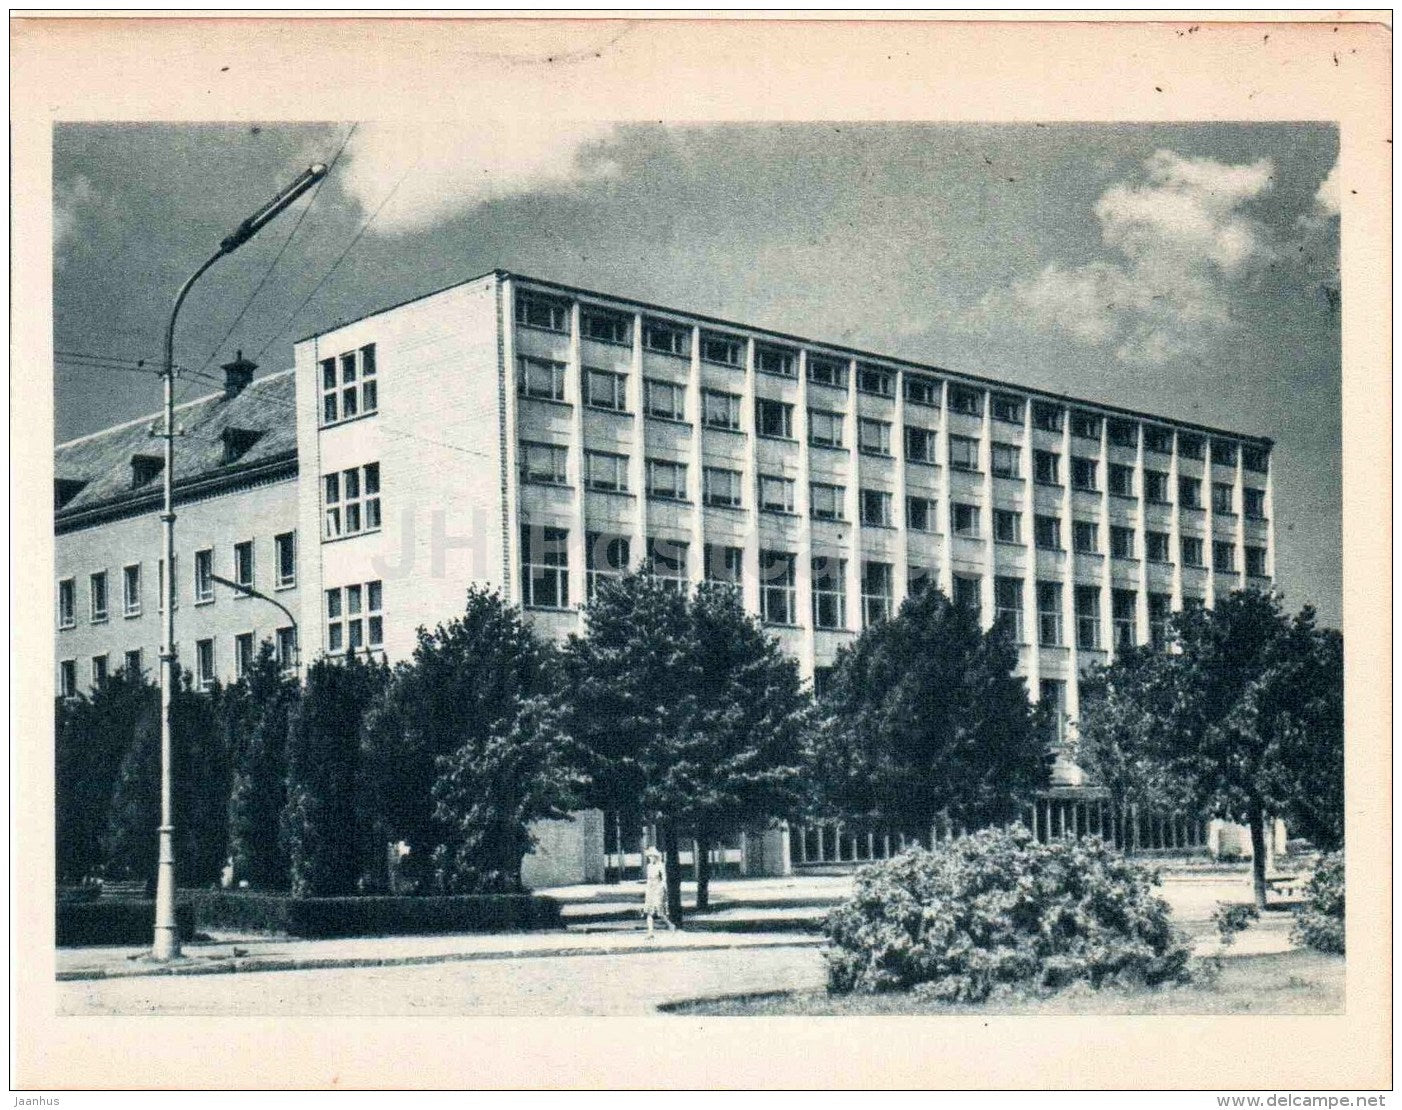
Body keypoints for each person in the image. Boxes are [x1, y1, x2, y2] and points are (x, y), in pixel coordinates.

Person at [642, 845, 676, 938]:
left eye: (651, 856)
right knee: (649, 912)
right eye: (649, 856)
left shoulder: (660, 865)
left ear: (655, 856)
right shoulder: (649, 866)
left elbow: (664, 878)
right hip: (650, 890)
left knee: (660, 913)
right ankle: (650, 932)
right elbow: (649, 879)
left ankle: (671, 925)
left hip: (658, 889)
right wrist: (647, 889)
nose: (650, 858)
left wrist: (662, 887)